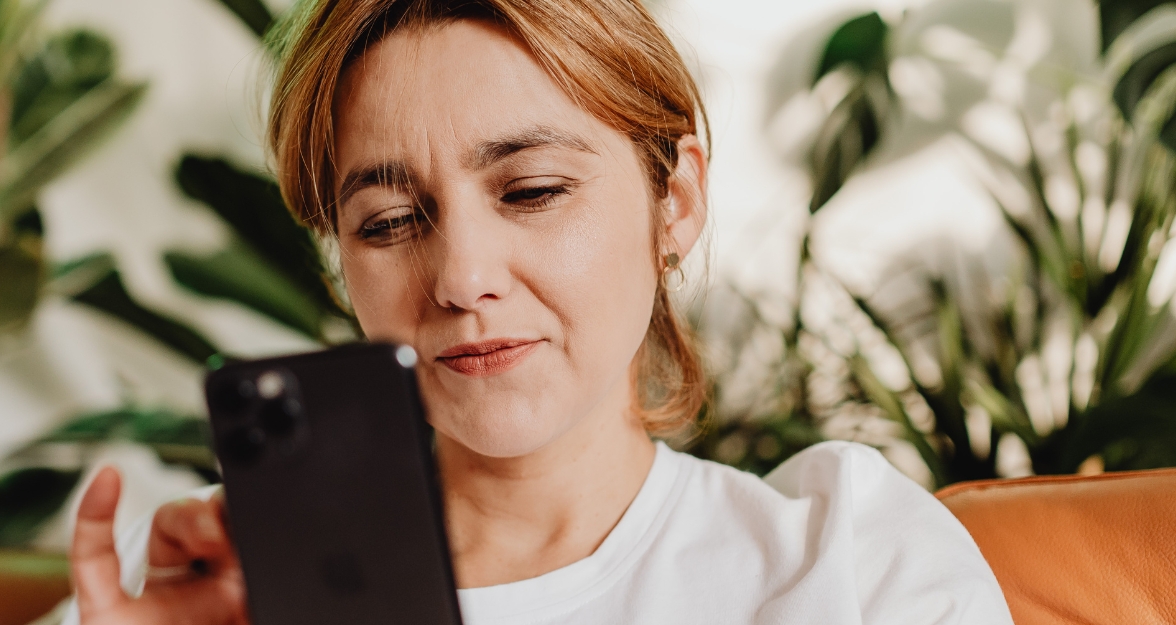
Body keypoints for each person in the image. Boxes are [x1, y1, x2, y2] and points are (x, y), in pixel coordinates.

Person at [64, 0, 1012, 622]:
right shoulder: (203, 584)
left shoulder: (849, 559)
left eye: (532, 190)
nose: (461, 277)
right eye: (387, 222)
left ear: (675, 200)